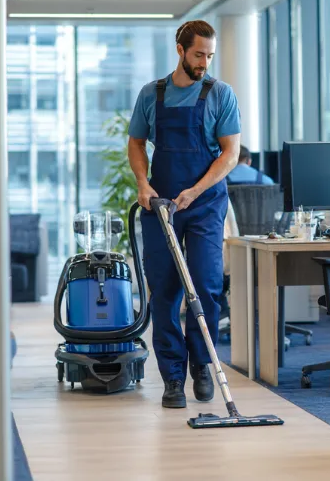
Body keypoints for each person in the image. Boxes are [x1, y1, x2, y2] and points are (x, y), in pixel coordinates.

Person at [127, 20, 241, 408]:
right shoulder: (151, 94)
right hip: (161, 206)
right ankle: (173, 378)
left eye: (209, 55)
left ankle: (202, 365)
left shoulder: (220, 94)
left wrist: (196, 190)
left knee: (207, 284)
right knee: (165, 290)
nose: (204, 63)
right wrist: (144, 184)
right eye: (198, 55)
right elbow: (137, 144)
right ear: (180, 49)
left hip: (205, 203)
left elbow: (230, 154)